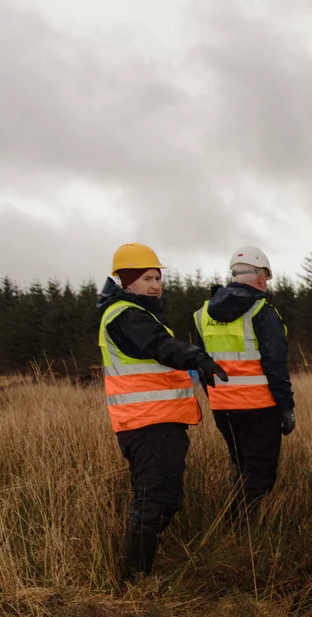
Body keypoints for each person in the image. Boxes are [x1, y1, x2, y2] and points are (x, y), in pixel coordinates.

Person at [97, 243, 228, 580]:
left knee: (165, 498)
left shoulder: (141, 313)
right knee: (154, 500)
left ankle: (138, 573)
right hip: (146, 424)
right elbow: (160, 346)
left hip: (160, 421)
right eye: (146, 278)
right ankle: (135, 580)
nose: (155, 284)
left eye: (157, 277)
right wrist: (196, 356)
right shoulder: (126, 314)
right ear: (127, 282)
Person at [193, 246, 295, 518]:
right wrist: (286, 407)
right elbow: (275, 366)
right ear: (261, 277)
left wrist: (214, 396)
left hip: (222, 408)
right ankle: (241, 530)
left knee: (241, 466)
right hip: (259, 408)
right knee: (260, 475)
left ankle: (234, 528)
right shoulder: (263, 312)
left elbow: (201, 363)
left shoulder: (202, 314)